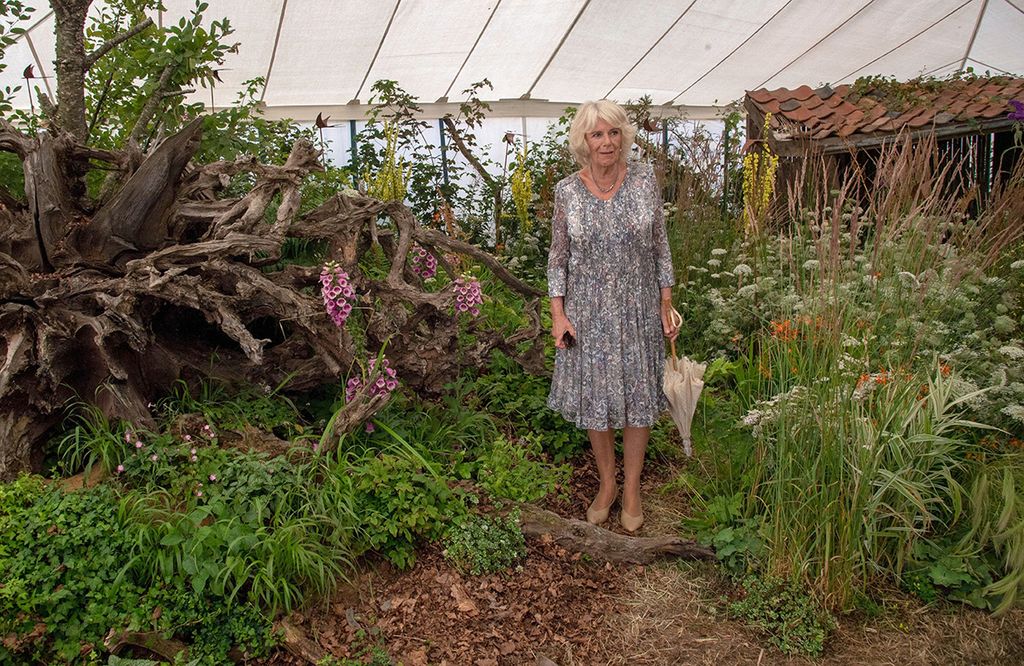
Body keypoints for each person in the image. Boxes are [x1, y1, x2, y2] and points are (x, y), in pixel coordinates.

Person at [546, 99, 677, 533]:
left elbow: (660, 246)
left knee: (638, 399)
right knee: (595, 401)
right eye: (597, 134)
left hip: (638, 310)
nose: (607, 142)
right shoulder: (567, 191)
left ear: (624, 137)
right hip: (588, 315)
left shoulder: (644, 180)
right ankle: (607, 484)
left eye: (614, 132)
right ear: (584, 141)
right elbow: (557, 259)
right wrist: (558, 314)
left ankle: (633, 487)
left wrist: (665, 303)